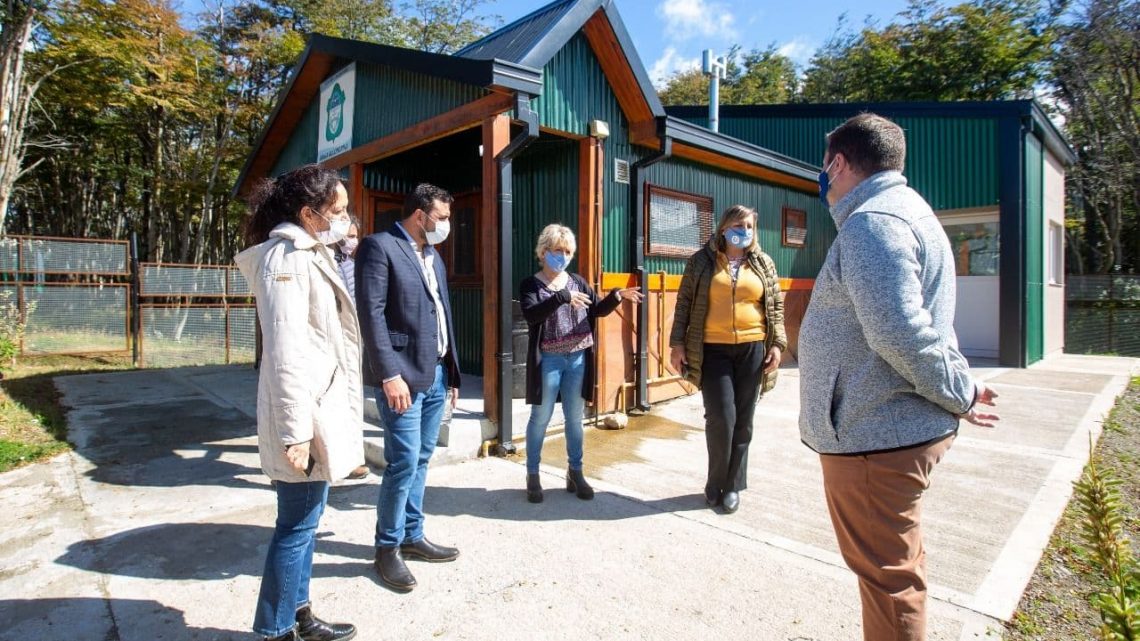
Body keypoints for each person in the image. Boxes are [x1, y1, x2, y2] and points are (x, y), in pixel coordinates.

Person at [798, 113, 999, 641]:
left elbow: (900, 333)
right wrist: (960, 389)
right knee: (896, 568)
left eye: (825, 168)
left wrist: (962, 391)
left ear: (838, 163)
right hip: (884, 428)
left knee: (889, 584)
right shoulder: (907, 213)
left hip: (874, 436)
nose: (824, 181)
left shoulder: (874, 223)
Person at [234, 164, 362, 641]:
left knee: (305, 525)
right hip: (304, 416)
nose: (346, 220)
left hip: (316, 408)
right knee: (295, 527)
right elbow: (285, 350)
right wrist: (295, 431)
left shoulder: (308, 252)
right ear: (310, 214)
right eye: (338, 211)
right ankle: (274, 631)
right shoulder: (287, 258)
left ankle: (298, 614)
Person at [355, 182, 461, 593]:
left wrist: (450, 373)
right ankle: (386, 548)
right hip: (400, 376)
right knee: (401, 463)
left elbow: (443, 314)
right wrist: (388, 374)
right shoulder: (379, 247)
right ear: (421, 214)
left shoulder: (432, 255)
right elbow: (372, 315)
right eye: (443, 217)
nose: (447, 225)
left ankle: (412, 536)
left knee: (421, 459)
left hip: (434, 373)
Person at [668, 205, 786, 515]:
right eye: (737, 225)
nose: (743, 231)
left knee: (744, 420)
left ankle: (732, 486)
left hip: (752, 349)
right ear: (723, 228)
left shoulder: (763, 263)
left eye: (748, 226)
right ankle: (714, 481)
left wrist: (777, 345)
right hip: (713, 349)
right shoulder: (701, 262)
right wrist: (677, 343)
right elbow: (683, 305)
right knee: (721, 417)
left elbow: (775, 308)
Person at [519, 224, 642, 503]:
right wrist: (562, 297)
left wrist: (616, 296)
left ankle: (576, 472)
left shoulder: (577, 280)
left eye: (567, 251)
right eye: (557, 250)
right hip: (548, 360)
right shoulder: (531, 284)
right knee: (541, 417)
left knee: (575, 417)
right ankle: (533, 474)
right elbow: (532, 315)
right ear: (543, 251)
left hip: (577, 358)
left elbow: (596, 309)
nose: (562, 256)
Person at [329, 219, 369, 481]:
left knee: (352, 397)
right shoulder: (324, 262)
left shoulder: (354, 265)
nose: (351, 240)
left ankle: (352, 458)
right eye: (346, 236)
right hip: (331, 341)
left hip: (354, 339)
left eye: (354, 235)